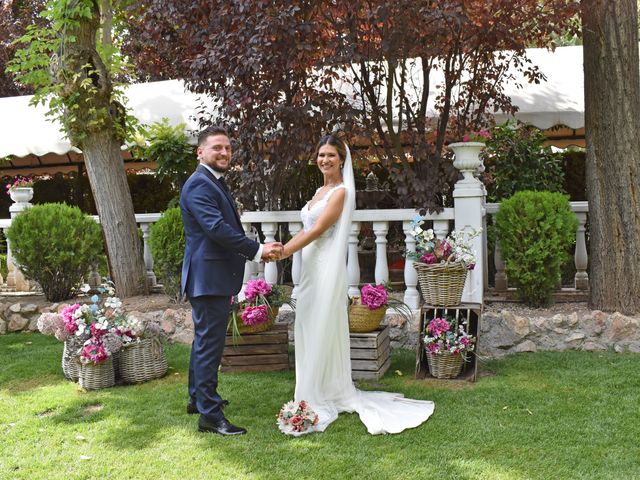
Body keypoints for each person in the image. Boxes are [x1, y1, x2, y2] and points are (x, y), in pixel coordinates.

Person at [279, 134, 434, 435]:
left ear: (341, 160)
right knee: (307, 325)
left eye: (331, 156)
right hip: (310, 268)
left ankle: (313, 394)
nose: (324, 160)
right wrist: (287, 248)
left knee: (322, 324)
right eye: (321, 155)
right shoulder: (319, 190)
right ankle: (314, 386)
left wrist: (284, 251)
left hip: (326, 268)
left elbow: (318, 230)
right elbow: (307, 228)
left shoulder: (340, 193)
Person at [180, 125, 283, 436]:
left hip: (211, 276)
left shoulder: (212, 182)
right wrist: (257, 249)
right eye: (216, 148)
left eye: (227, 148)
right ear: (200, 152)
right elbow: (216, 228)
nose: (224, 152)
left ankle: (198, 399)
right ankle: (209, 416)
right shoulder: (200, 184)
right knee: (210, 345)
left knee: (204, 341)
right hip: (208, 278)